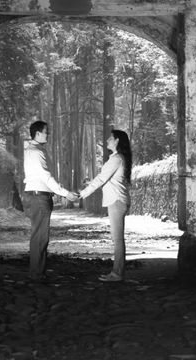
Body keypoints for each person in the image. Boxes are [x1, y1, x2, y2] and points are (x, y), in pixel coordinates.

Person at [23, 120, 78, 281]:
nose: (48, 134)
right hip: (39, 197)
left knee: (39, 236)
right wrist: (65, 193)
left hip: (37, 195)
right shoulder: (35, 152)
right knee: (40, 237)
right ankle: (36, 274)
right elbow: (46, 176)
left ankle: (37, 271)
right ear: (38, 133)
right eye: (46, 131)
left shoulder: (34, 150)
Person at [79, 129, 132, 282]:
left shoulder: (116, 159)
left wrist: (83, 193)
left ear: (117, 141)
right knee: (117, 239)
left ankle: (117, 274)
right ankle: (117, 272)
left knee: (117, 239)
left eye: (111, 138)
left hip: (116, 201)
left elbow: (101, 179)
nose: (108, 140)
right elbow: (106, 179)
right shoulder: (118, 158)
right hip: (117, 200)